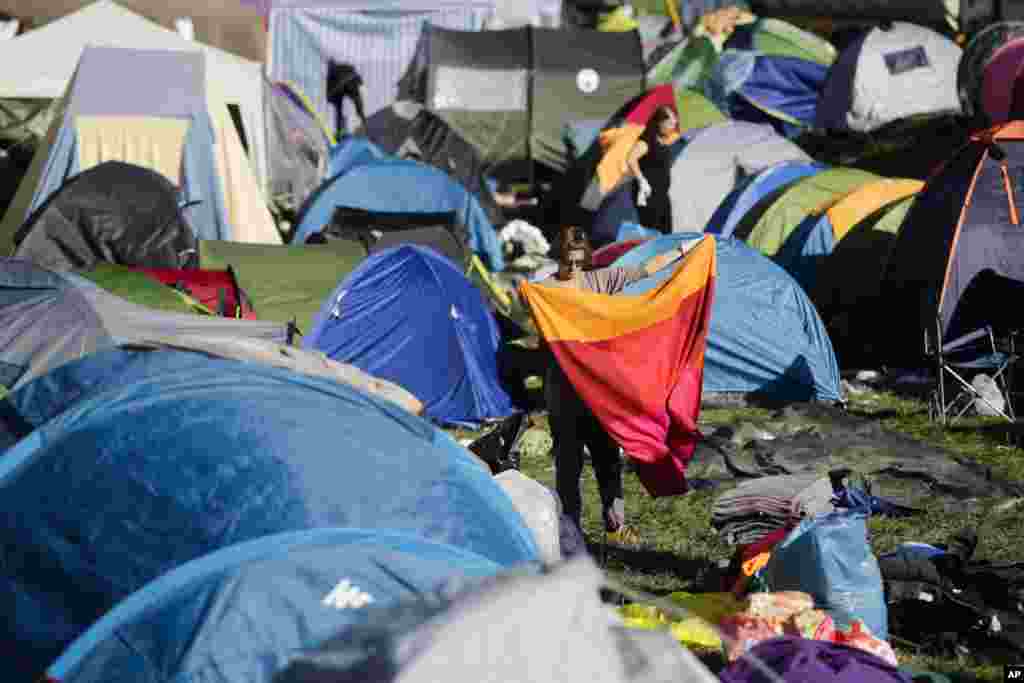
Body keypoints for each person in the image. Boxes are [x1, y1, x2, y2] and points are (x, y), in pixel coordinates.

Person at [539, 226, 692, 546]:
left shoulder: (554, 288)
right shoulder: (569, 286)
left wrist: (684, 252)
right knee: (588, 461)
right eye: (575, 260)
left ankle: (591, 528)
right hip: (586, 391)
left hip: (579, 391)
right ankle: (592, 526)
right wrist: (684, 251)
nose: (578, 267)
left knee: (586, 462)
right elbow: (646, 269)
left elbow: (645, 269)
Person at [626, 105, 681, 235]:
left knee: (667, 233)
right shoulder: (647, 141)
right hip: (648, 195)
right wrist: (641, 181)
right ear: (660, 123)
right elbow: (630, 159)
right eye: (670, 123)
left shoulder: (663, 142)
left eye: (675, 124)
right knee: (652, 234)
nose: (673, 127)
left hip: (662, 196)